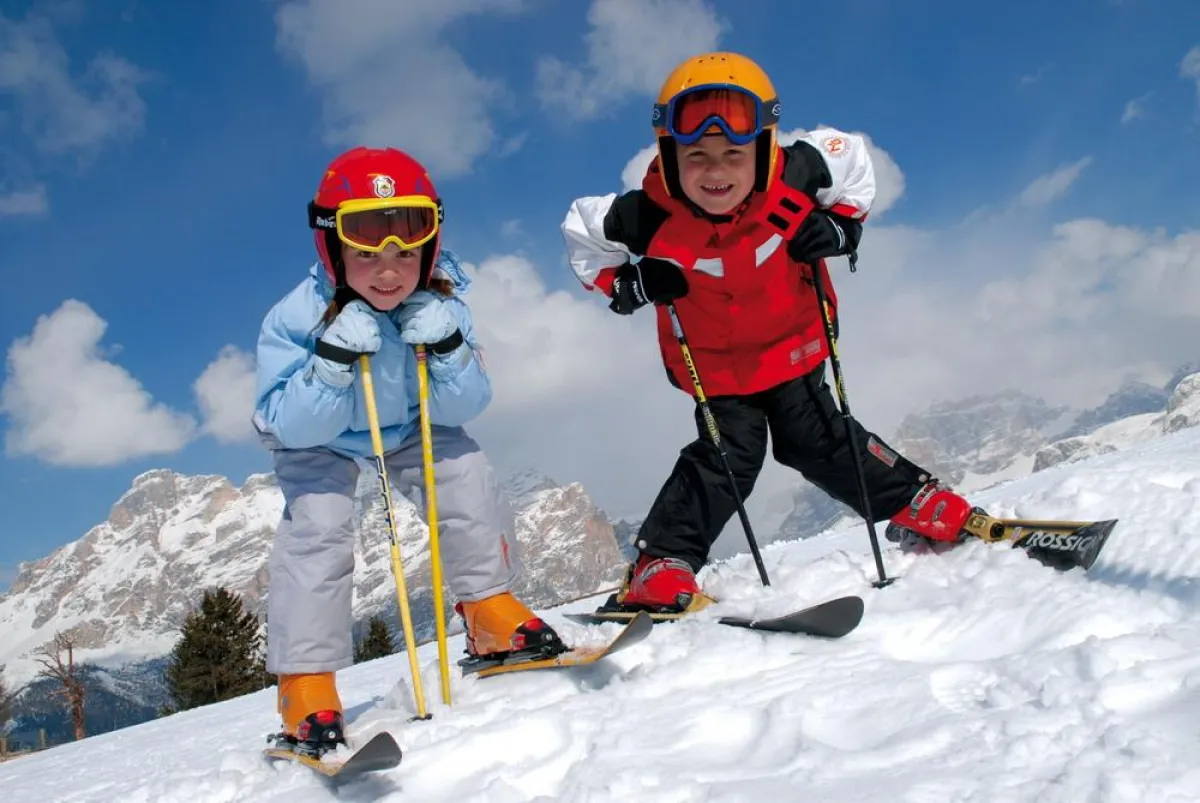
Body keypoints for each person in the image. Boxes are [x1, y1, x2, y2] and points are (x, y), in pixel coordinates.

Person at [561, 51, 978, 613]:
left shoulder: (800, 173)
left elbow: (854, 159)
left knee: (822, 439)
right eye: (697, 156)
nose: (716, 171)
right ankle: (659, 563)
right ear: (668, 153)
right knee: (729, 457)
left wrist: (840, 226)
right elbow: (581, 234)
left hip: (794, 346)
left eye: (734, 153)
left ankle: (914, 505)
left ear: (763, 148)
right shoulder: (646, 215)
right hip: (717, 370)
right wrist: (627, 283)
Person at [253, 145, 565, 754]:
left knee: (464, 469)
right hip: (323, 437)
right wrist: (332, 364)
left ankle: (487, 611)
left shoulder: (442, 304)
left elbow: (464, 406)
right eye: (367, 253)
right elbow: (283, 423)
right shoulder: (295, 318)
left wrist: (447, 348)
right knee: (318, 527)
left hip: (405, 427)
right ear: (333, 248)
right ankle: (305, 683)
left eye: (405, 251)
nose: (389, 269)